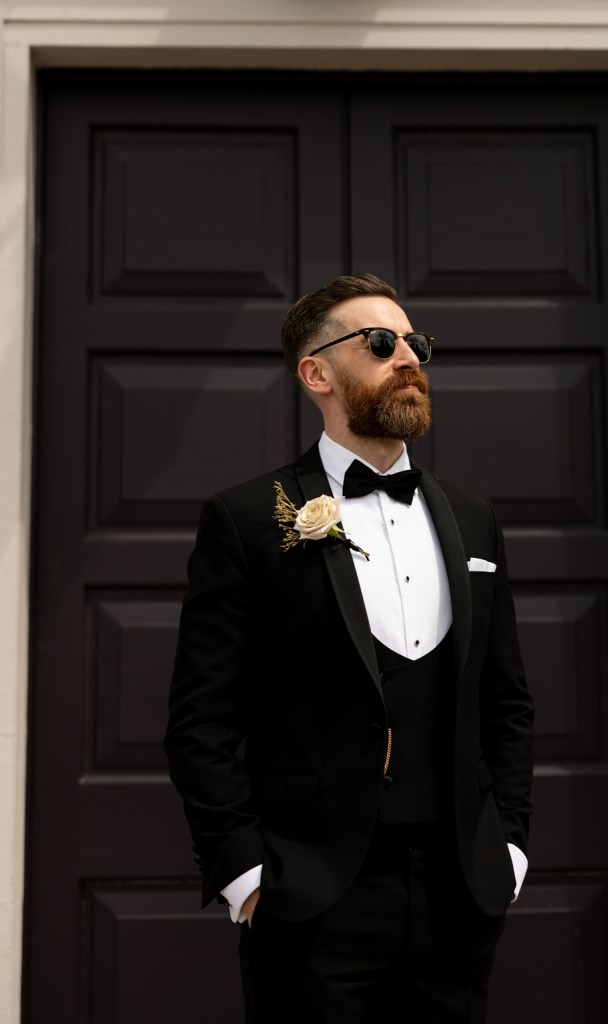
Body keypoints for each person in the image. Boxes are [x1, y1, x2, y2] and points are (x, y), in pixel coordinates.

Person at [164, 272, 535, 1023]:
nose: (407, 356)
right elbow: (200, 719)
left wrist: (511, 846)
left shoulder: (473, 517)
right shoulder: (248, 518)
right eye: (379, 342)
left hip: (459, 890)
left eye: (414, 342)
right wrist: (242, 870)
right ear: (316, 373)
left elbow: (507, 700)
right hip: (311, 897)